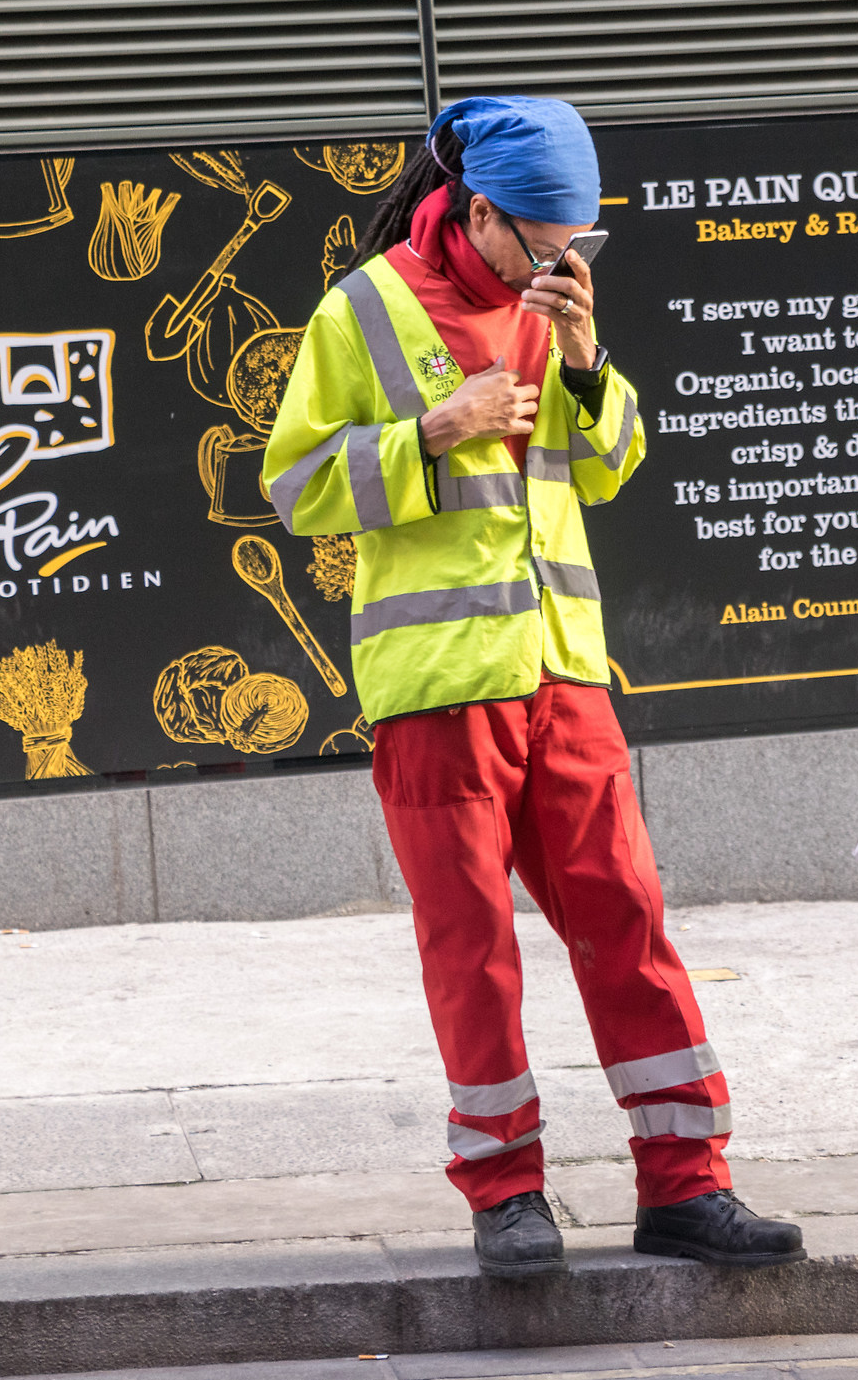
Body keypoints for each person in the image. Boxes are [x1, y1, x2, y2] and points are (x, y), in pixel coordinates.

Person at [262, 97, 803, 1278]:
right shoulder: (363, 310)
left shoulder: (559, 312)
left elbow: (608, 469)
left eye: (578, 242)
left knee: (630, 918)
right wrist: (432, 431)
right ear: (478, 211)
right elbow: (295, 488)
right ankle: (506, 1193)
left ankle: (687, 1183)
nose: (558, 262)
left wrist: (590, 360)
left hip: (563, 671)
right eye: (542, 240)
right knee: (473, 946)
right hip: (437, 688)